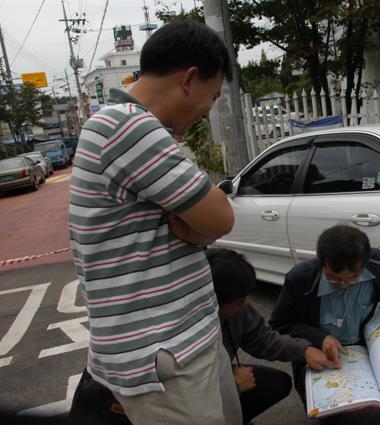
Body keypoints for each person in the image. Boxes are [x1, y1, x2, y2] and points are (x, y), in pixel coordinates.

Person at [68, 21, 240, 425]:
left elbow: (202, 222)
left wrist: (197, 226)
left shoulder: (136, 128)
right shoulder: (126, 128)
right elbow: (221, 216)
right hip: (165, 352)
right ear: (190, 78)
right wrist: (200, 226)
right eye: (212, 98)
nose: (206, 112)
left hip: (184, 338)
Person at [269, 225, 380, 425]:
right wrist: (320, 338)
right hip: (325, 352)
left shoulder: (379, 262)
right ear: (322, 262)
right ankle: (333, 413)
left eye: (353, 277)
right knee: (347, 416)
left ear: (364, 262)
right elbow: (280, 324)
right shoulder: (301, 278)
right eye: (334, 278)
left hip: (368, 341)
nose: (343, 283)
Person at [205, 248, 336, 424]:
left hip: (220, 373)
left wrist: (304, 350)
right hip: (195, 394)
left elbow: (263, 339)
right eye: (238, 303)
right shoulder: (182, 331)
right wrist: (231, 386)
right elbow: (181, 396)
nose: (246, 304)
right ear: (212, 302)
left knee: (277, 383)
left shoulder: (239, 309)